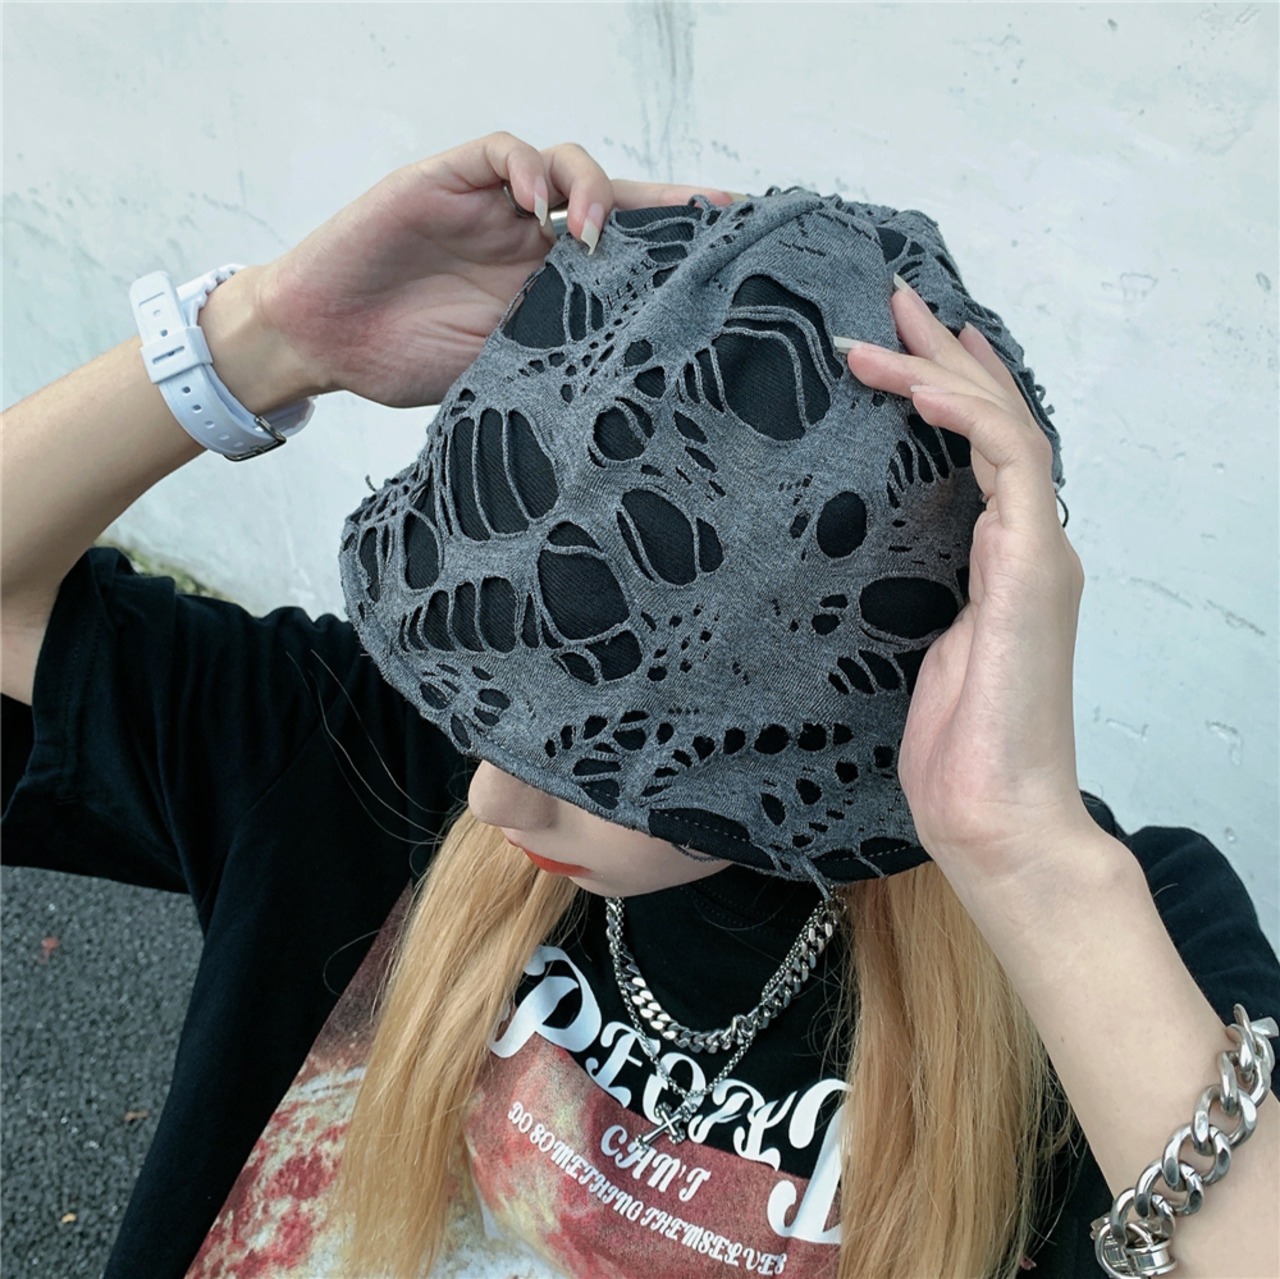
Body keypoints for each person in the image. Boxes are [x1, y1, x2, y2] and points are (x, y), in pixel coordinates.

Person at [1, 131, 1276, 1279]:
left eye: (597, 747)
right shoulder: (363, 743)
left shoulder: (1106, 945)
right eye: (487, 688)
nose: (489, 794)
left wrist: (1029, 863)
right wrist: (265, 336)